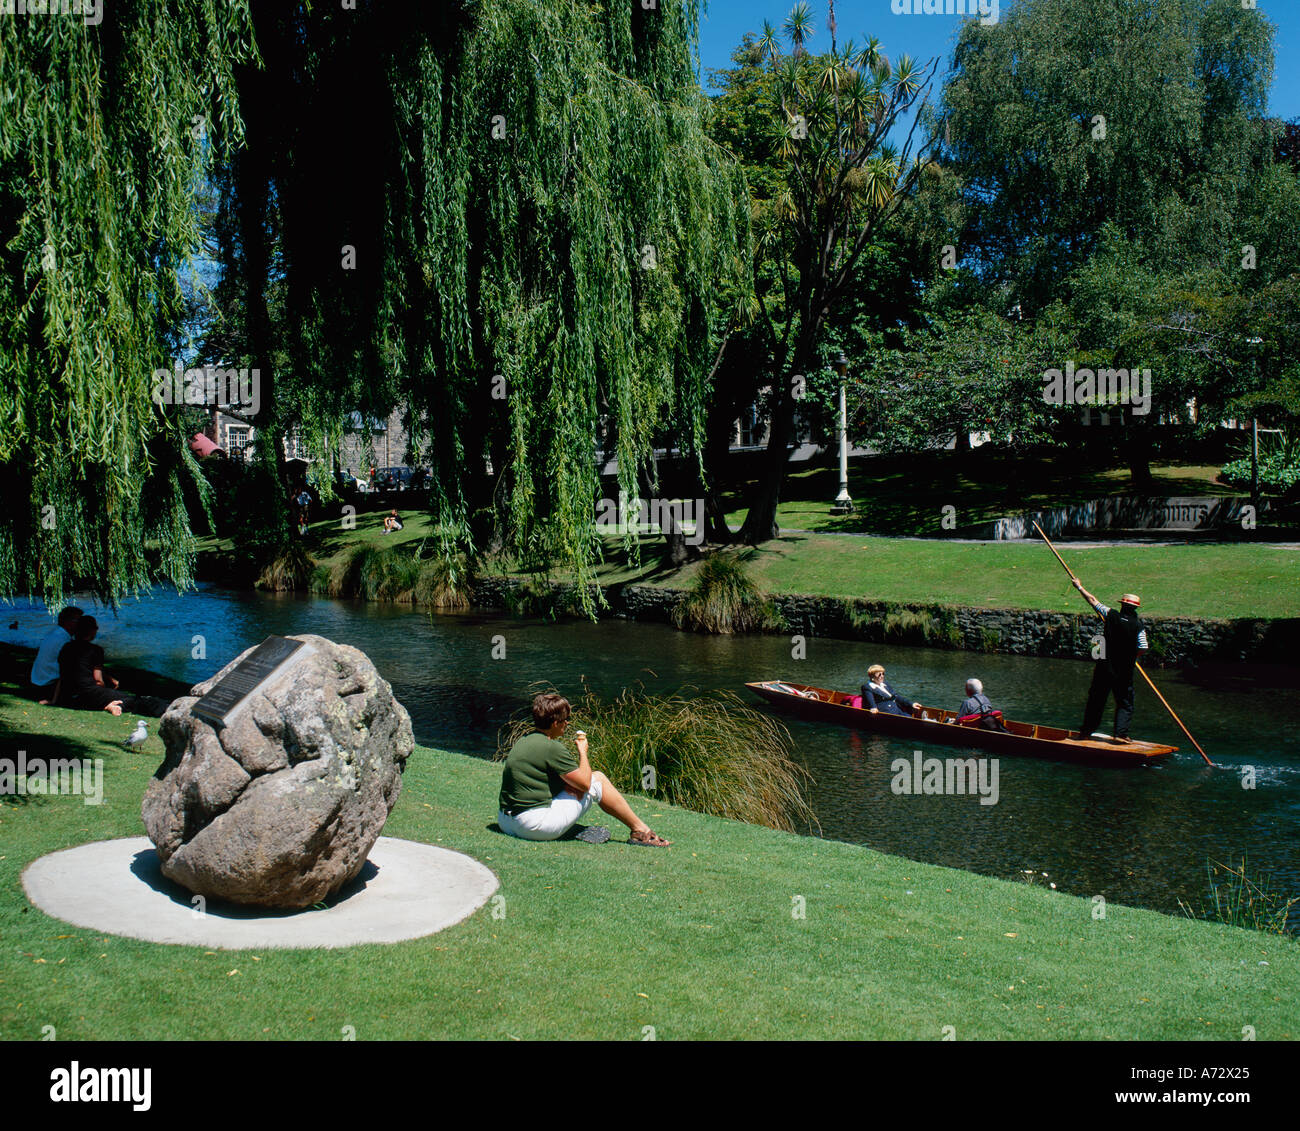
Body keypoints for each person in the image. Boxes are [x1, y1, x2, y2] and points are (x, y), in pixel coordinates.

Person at [497, 692, 669, 846]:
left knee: (574, 785)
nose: (567, 723)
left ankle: (570, 830)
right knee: (598, 780)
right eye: (565, 720)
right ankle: (641, 831)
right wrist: (583, 752)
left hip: (506, 821)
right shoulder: (551, 747)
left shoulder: (524, 740)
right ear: (556, 723)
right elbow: (586, 785)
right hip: (532, 826)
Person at [1072, 581, 1148, 743]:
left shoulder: (1110, 614)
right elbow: (1143, 647)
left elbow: (1092, 600)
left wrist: (1079, 586)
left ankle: (1086, 732)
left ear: (1122, 605)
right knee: (1125, 703)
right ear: (1135, 608)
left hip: (1104, 668)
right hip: (1124, 671)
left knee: (1096, 701)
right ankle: (1121, 734)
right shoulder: (1138, 626)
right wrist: (1132, 657)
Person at [54, 617, 168, 717]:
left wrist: (54, 700)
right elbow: (98, 681)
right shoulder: (95, 650)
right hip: (88, 694)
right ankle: (112, 706)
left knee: (115, 695)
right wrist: (104, 691)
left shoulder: (66, 647)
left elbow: (62, 676)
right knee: (130, 699)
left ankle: (109, 704)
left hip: (69, 697)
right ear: (92, 631)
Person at [27, 606, 82, 702]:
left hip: (37, 681)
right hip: (49, 684)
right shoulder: (65, 641)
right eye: (79, 621)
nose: (81, 624)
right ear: (68, 622)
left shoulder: (53, 634)